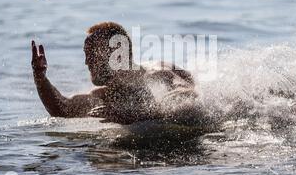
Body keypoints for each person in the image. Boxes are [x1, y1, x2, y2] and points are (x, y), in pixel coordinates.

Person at [31, 22, 199, 124]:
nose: (86, 62)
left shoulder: (158, 73)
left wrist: (132, 116)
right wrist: (40, 77)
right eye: (86, 55)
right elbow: (62, 109)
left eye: (92, 55)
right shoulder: (106, 95)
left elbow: (188, 99)